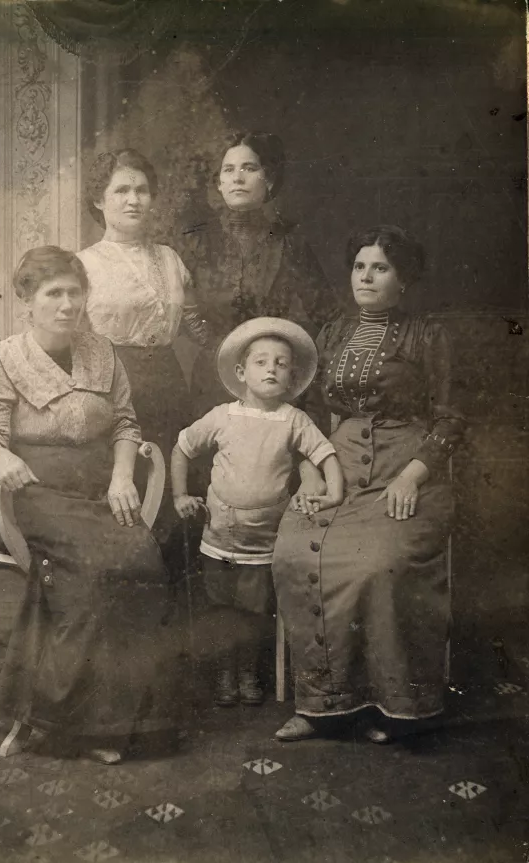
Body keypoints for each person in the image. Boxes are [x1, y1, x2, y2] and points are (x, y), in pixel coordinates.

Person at [0, 246, 181, 764]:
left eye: (75, 292)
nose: (68, 304)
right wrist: (3, 462)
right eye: (54, 293)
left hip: (99, 491)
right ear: (28, 299)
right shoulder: (2, 357)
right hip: (36, 494)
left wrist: (121, 476)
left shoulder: (103, 351)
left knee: (142, 560)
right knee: (94, 572)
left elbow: (126, 425)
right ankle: (76, 728)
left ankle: (131, 722)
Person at [272, 226, 465, 744]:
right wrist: (309, 467)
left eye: (379, 268)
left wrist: (412, 474)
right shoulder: (333, 332)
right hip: (338, 463)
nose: (366, 276)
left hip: (409, 468)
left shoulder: (429, 336)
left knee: (380, 562)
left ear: (403, 279)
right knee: (294, 552)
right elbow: (309, 413)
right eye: (360, 267)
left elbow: (451, 421)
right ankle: (320, 707)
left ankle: (389, 705)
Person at [171, 317, 343, 707]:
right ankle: (224, 674)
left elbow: (325, 454)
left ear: (292, 376)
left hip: (263, 542)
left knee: (252, 612)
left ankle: (248, 672)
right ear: (241, 372)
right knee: (219, 608)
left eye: (281, 364)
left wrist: (332, 493)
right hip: (217, 537)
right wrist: (181, 494)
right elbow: (182, 448)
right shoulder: (222, 416)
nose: (271, 369)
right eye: (261, 362)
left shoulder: (294, 420)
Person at [179, 131, 339, 416]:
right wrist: (216, 345)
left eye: (249, 168)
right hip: (213, 382)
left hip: (272, 383)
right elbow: (180, 309)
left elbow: (330, 317)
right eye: (228, 170)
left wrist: (302, 365)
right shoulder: (198, 242)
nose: (237, 178)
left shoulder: (290, 244)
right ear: (219, 183)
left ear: (270, 180)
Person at [77, 148, 209, 459]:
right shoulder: (82, 264)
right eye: (121, 190)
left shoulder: (170, 258)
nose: (133, 200)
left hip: (169, 385)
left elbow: (196, 326)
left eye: (142, 191)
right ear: (99, 199)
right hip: (112, 386)